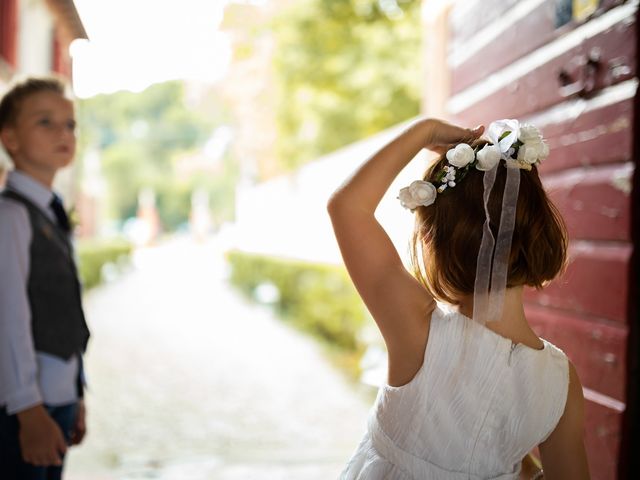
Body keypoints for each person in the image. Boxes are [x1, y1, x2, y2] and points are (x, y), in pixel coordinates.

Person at [328, 118, 590, 479]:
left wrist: (426, 132)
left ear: (436, 243)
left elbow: (347, 207)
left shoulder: (419, 330)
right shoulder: (562, 382)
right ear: (535, 231)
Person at [0, 77, 90, 479]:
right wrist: (29, 410)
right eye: (45, 122)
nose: (63, 132)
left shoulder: (51, 213)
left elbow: (67, 308)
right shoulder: (9, 217)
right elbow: (8, 318)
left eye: (69, 124)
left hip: (58, 396)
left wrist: (77, 391)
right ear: (11, 139)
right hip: (23, 407)